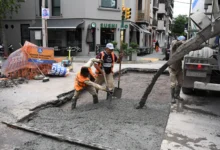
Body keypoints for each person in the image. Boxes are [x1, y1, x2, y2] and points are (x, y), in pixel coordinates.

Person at [169, 35, 186, 104]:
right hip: (172, 68)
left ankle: (177, 95)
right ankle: (172, 97)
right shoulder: (174, 45)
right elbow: (175, 43)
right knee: (173, 84)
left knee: (180, 82)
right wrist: (182, 42)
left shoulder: (182, 49)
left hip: (179, 68)